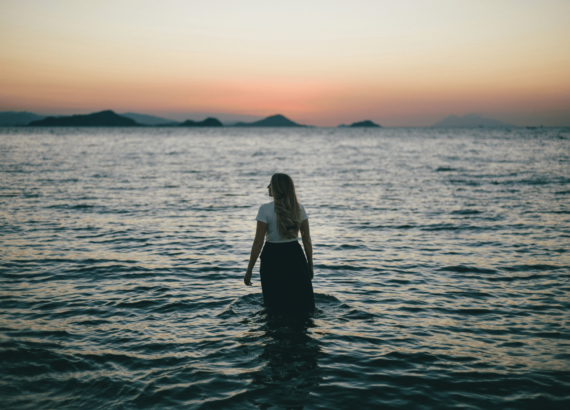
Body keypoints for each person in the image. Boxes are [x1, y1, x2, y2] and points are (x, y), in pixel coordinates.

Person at [244, 173, 315, 313]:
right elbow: (307, 240)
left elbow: (258, 242)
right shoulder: (299, 209)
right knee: (301, 302)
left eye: (270, 184)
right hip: (295, 256)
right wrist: (309, 265)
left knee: (273, 304)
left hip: (272, 257)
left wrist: (249, 270)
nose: (268, 187)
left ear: (278, 188)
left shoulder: (265, 209)